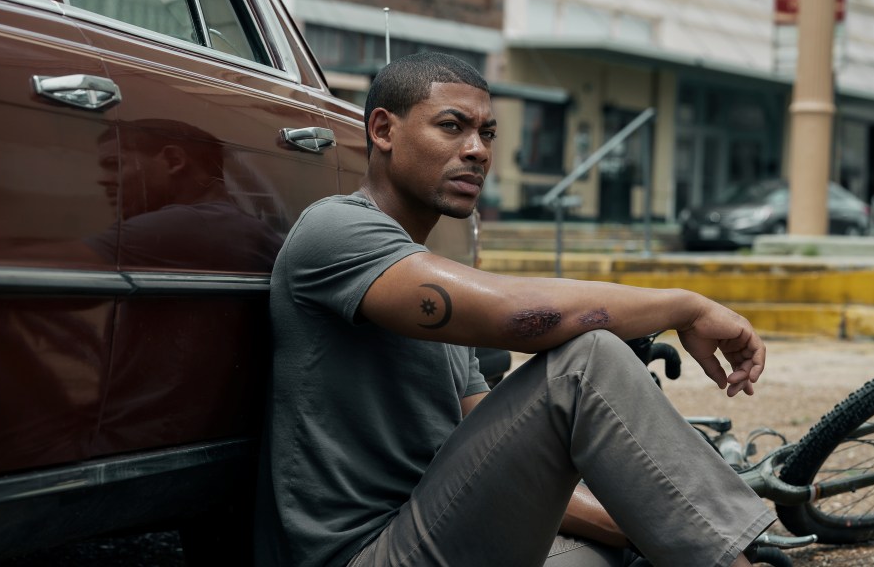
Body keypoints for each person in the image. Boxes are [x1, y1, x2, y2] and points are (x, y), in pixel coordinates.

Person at [256, 52, 774, 567]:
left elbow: (489, 449)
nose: (477, 151)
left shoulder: (429, 271)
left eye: (487, 134)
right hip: (366, 555)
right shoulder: (335, 231)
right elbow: (515, 314)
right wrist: (684, 306)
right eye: (452, 126)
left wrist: (644, 523)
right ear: (383, 130)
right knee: (588, 362)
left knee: (636, 552)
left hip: (439, 531)